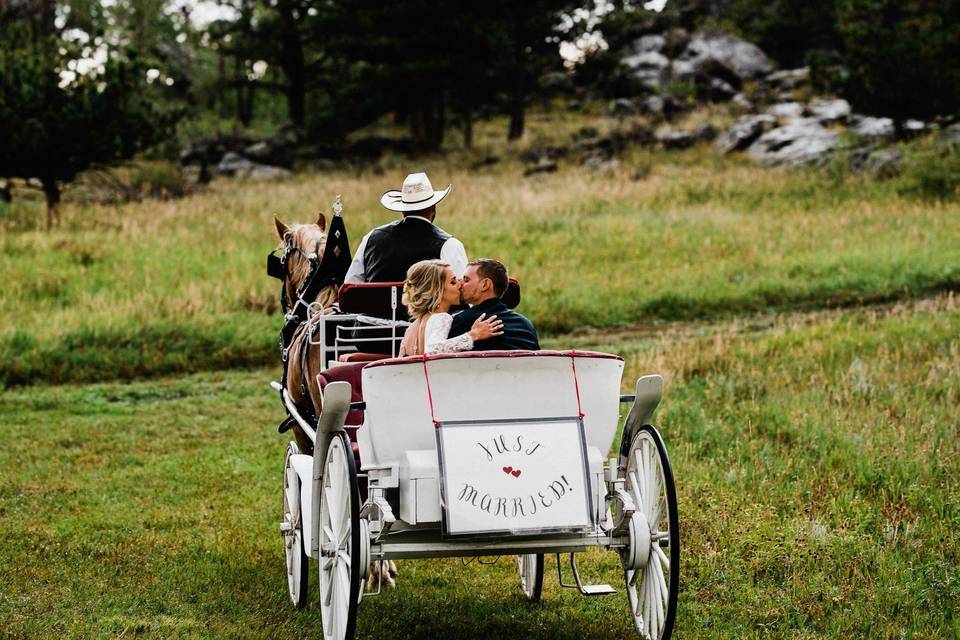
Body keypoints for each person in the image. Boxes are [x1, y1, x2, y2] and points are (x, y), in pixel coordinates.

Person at [344, 172, 467, 283]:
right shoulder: (450, 245)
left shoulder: (371, 238)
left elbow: (351, 284)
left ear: (403, 210)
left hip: (373, 308)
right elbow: (462, 293)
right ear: (433, 209)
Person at [398, 260, 503, 356]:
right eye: (453, 282)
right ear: (437, 290)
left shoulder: (411, 327)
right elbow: (432, 350)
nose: (460, 284)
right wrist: (473, 335)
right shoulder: (442, 317)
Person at [449, 259, 540, 351]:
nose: (460, 284)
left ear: (485, 284)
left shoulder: (463, 321)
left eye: (466, 280)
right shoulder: (526, 324)